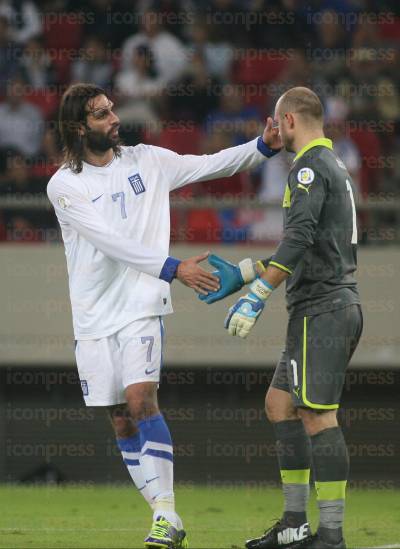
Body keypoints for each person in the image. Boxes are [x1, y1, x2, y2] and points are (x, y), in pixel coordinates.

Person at [46, 83, 279, 549]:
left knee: (139, 398)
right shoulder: (63, 186)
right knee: (119, 418)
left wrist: (262, 147)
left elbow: (210, 165)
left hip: (141, 305)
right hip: (92, 317)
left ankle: (167, 514)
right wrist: (175, 267)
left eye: (112, 109)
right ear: (78, 127)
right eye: (101, 114)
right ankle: (162, 514)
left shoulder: (146, 160)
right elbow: (107, 240)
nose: (114, 118)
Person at [202, 87, 363, 549]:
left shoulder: (308, 167)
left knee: (317, 414)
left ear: (289, 120)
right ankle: (294, 524)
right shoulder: (333, 166)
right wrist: (247, 271)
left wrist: (257, 293)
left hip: (323, 308)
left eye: (277, 123)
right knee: (280, 404)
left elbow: (298, 239)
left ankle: (330, 534)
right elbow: (309, 241)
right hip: (322, 306)